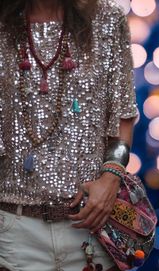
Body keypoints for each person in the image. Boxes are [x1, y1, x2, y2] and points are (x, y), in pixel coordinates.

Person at [0, 0, 138, 270]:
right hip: (14, 231)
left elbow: (123, 115)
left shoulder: (108, 21)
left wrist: (111, 179)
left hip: (91, 230)